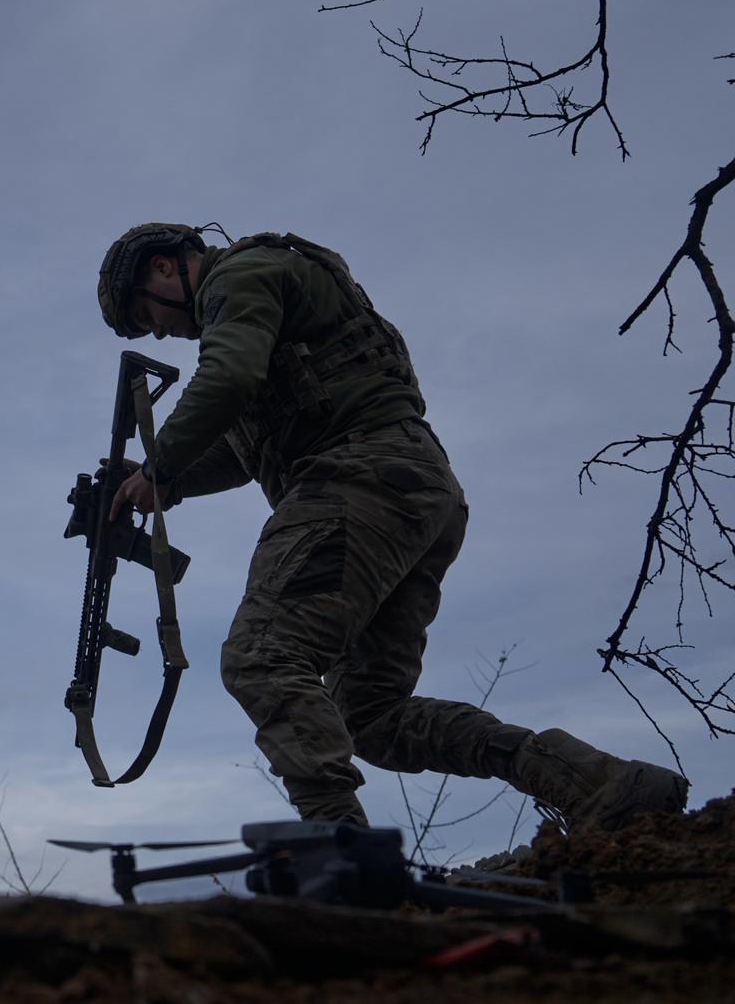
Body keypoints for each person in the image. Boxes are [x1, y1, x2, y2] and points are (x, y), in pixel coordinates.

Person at [97, 222, 688, 832]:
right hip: (412, 491)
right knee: (369, 717)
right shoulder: (250, 311)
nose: (160, 330)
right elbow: (242, 450)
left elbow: (226, 380)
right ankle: (597, 783)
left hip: (361, 481)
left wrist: (161, 462)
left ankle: (339, 847)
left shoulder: (238, 279)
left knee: (263, 655)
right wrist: (162, 479)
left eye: (149, 313)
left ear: (165, 267)